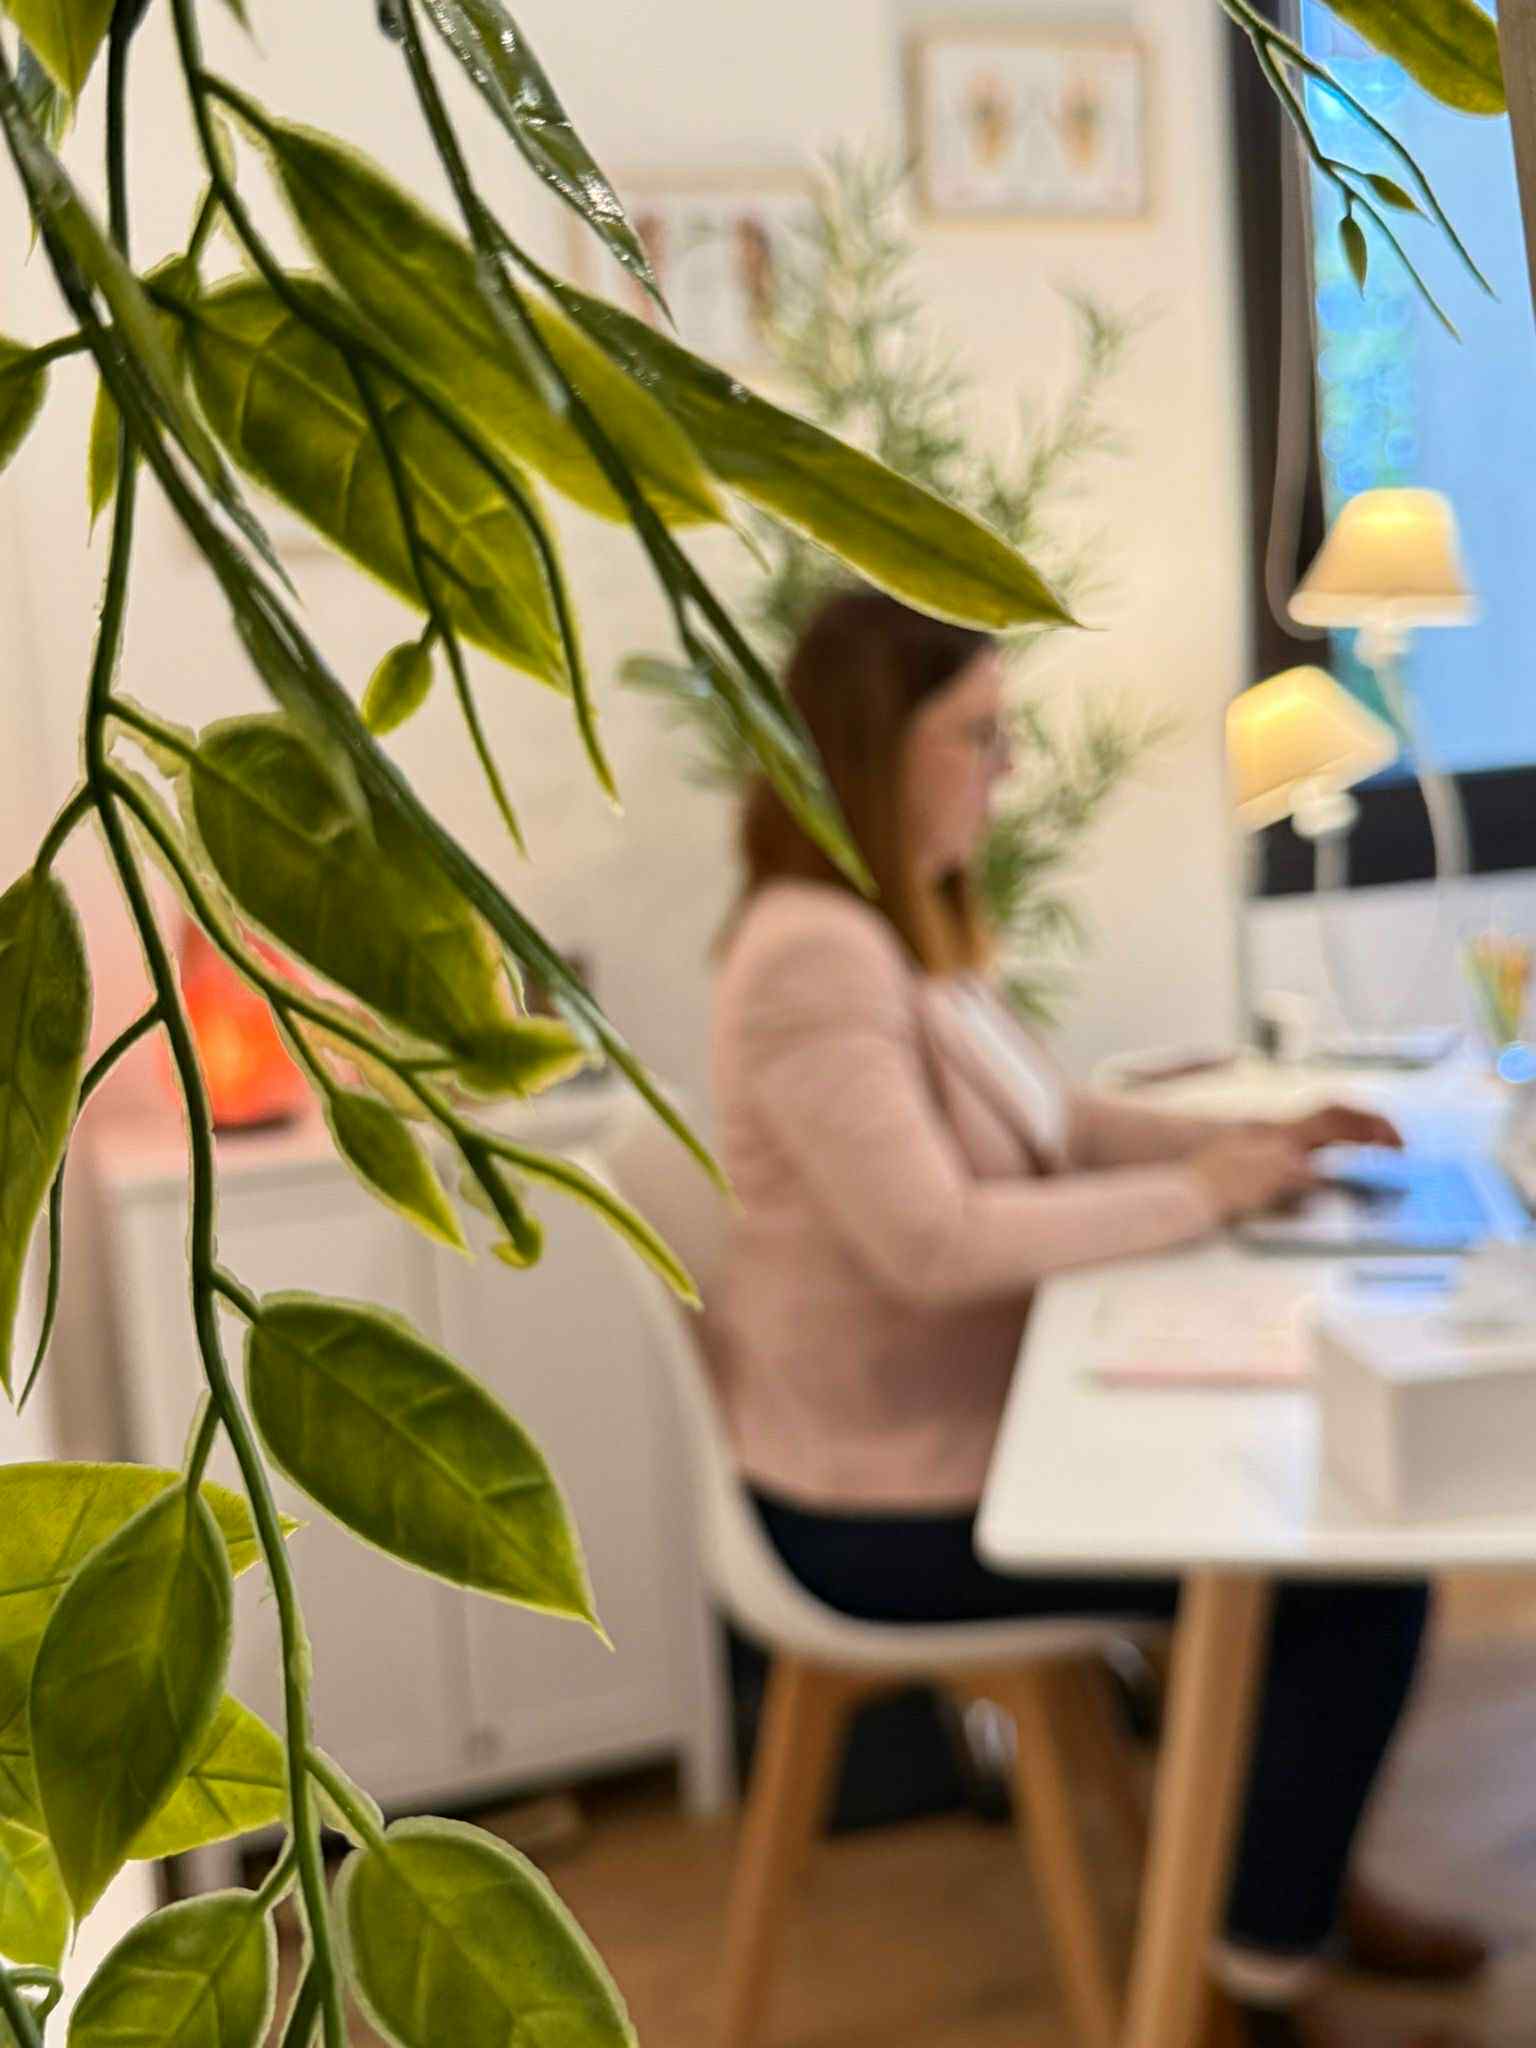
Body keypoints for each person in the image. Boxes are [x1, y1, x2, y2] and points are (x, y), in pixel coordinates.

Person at [711, 588, 1486, 2048]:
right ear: (877, 747)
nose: (1007, 770)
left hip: (953, 1436)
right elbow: (933, 1242)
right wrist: (1202, 1190)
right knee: (1344, 1581)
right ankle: (1263, 1968)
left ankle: (1286, 1900)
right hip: (877, 1504)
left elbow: (1054, 1122)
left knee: (1311, 1536)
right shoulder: (816, 954)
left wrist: (1254, 1141)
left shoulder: (901, 926)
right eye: (978, 737)